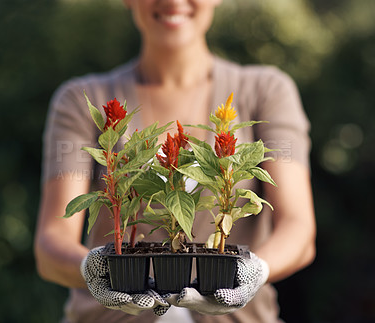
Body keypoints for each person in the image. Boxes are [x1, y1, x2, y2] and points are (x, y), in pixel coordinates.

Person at [34, 0, 316, 322]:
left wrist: (256, 270)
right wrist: (92, 269)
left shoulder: (266, 92)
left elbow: (299, 229)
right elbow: (52, 243)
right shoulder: (82, 100)